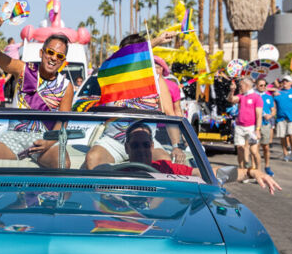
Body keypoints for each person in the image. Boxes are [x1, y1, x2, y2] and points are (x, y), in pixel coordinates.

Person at [82, 31, 184, 170]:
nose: (131, 57)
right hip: (114, 141)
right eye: (126, 53)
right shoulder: (112, 74)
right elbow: (129, 59)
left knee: (165, 162)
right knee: (92, 159)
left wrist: (176, 146)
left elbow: (169, 112)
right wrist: (156, 41)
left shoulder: (155, 79)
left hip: (145, 141)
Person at [0, 17, 75, 162]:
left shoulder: (66, 86)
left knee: (62, 163)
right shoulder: (23, 69)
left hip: (46, 138)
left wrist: (48, 143)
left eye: (59, 56)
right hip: (15, 135)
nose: (53, 58)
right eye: (50, 52)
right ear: (41, 53)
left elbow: (62, 122)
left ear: (63, 61)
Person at [117, 122, 282, 195]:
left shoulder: (166, 168)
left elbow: (210, 173)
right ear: (127, 148)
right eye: (135, 145)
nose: (141, 150)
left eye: (145, 145)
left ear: (152, 147)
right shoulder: (113, 173)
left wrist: (250, 172)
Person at [230, 77, 263, 173]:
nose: (239, 87)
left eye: (241, 86)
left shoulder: (257, 97)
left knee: (253, 151)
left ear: (247, 86)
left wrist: (257, 129)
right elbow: (231, 99)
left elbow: (259, 115)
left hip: (251, 128)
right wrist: (232, 91)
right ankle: (242, 170)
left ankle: (259, 170)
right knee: (240, 149)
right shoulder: (241, 96)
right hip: (239, 127)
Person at [257, 78, 277, 176]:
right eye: (261, 85)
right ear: (256, 86)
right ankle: (257, 169)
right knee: (255, 148)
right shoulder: (254, 96)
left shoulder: (269, 97)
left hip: (265, 124)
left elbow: (273, 110)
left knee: (266, 147)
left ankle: (267, 166)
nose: (263, 87)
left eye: (265, 85)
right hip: (255, 125)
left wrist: (270, 115)